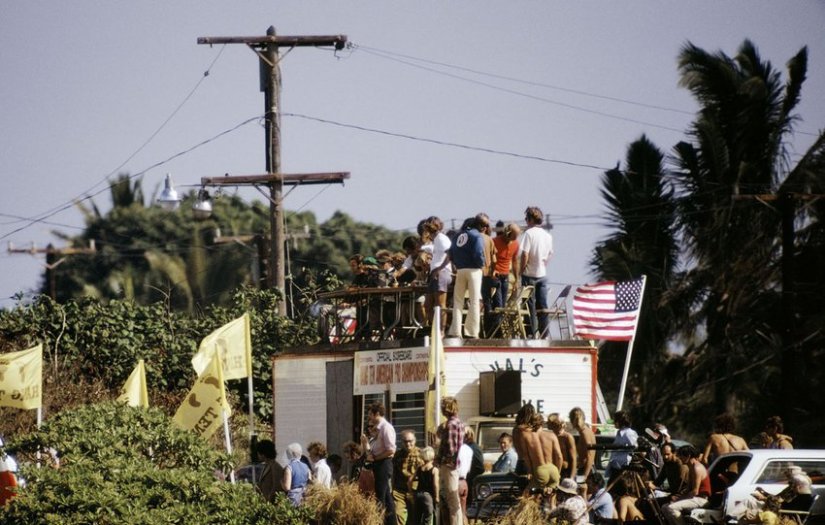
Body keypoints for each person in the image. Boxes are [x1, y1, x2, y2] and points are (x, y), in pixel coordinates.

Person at [517, 206, 554, 337]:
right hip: (542, 274)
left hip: (529, 274)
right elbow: (550, 254)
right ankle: (545, 333)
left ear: (531, 219)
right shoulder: (547, 236)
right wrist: (544, 264)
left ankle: (531, 333)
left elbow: (525, 254)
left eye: (527, 218)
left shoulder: (529, 234)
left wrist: (521, 270)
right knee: (543, 306)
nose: (526, 221)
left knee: (529, 306)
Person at [447, 217, 485, 339]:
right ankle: (472, 332)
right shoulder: (476, 235)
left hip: (460, 270)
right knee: (474, 300)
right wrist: (481, 264)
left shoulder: (457, 236)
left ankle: (455, 331)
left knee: (458, 301)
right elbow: (478, 252)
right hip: (474, 270)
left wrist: (458, 264)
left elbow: (451, 254)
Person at [661, 445, 711, 525]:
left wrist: (680, 499)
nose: (680, 458)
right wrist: (677, 497)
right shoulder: (691, 468)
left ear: (688, 456)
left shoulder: (696, 468)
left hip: (701, 499)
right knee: (664, 507)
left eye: (681, 456)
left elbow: (695, 491)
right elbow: (688, 489)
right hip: (694, 498)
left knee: (671, 508)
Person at [366, 402, 398, 525]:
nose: (369, 417)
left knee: (381, 497)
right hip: (379, 463)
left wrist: (377, 458)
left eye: (370, 414)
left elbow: (391, 450)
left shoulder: (386, 428)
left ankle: (380, 522)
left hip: (384, 464)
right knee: (386, 497)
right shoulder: (378, 428)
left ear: (377, 414)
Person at [435, 396, 464, 525]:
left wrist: (442, 460)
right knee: (453, 499)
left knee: (452, 500)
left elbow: (451, 448)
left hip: (450, 465)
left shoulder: (451, 424)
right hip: (455, 464)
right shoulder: (459, 423)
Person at [488, 221, 521, 335]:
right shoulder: (494, 241)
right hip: (495, 275)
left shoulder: (516, 244)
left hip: (506, 275)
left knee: (502, 305)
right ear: (507, 233)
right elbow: (488, 258)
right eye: (512, 237)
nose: (513, 240)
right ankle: (496, 331)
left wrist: (517, 279)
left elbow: (515, 261)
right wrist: (492, 270)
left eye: (515, 238)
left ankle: (497, 330)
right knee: (498, 303)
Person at [423, 217, 452, 332]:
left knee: (440, 305)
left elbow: (450, 253)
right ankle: (436, 329)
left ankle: (441, 331)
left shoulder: (441, 238)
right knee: (428, 305)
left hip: (441, 273)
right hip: (435, 274)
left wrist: (440, 268)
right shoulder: (436, 240)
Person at [393, 429, 424, 525]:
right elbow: (394, 473)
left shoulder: (421, 454)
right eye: (405, 441)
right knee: (398, 513)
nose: (408, 444)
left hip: (415, 490)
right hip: (400, 490)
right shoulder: (397, 455)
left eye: (410, 441)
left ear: (415, 440)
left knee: (414, 516)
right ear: (402, 442)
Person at [475, 213, 497, 336]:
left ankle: (476, 330)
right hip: (487, 275)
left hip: (476, 273)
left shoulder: (473, 237)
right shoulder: (489, 239)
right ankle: (488, 332)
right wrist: (492, 270)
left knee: (475, 302)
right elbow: (494, 260)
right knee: (487, 304)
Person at [409, 446, 440, 525]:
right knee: (427, 518)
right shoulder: (434, 470)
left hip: (418, 494)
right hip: (428, 496)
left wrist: (411, 493)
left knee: (417, 517)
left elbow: (409, 481)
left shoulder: (419, 468)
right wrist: (436, 497)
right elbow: (435, 484)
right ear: (433, 457)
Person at [605, 410, 638, 481]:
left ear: (620, 421)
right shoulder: (619, 433)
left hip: (623, 470)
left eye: (615, 420)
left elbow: (635, 448)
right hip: (616, 468)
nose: (614, 422)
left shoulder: (628, 433)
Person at [547, 413, 577, 479]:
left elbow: (573, 458)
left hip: (565, 473)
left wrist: (571, 477)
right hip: (554, 471)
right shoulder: (551, 436)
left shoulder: (567, 437)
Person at [569, 406, 596, 479]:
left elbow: (590, 455)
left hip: (587, 470)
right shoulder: (585, 431)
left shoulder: (585, 433)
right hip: (586, 469)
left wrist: (585, 476)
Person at [282, 442, 312, 506]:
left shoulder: (289, 467)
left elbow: (287, 487)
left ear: (291, 454)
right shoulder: (306, 467)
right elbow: (310, 482)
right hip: (304, 498)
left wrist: (281, 483)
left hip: (293, 499)